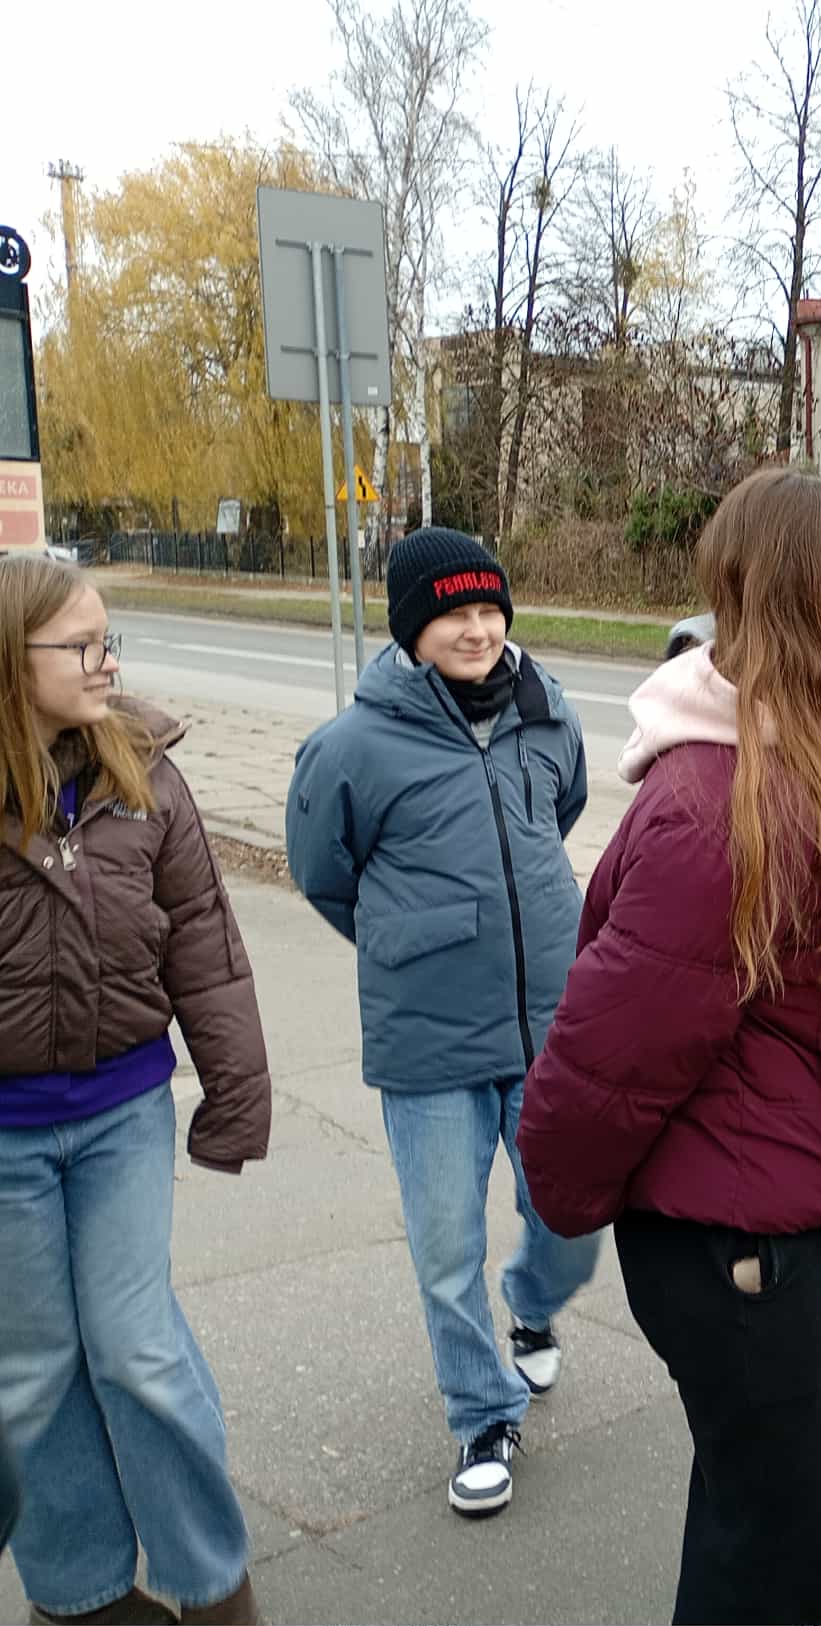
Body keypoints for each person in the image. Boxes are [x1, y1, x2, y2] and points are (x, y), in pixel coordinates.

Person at [517, 471, 821, 1626]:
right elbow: (609, 1060)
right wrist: (563, 1202)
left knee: (785, 1525)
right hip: (743, 1250)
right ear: (806, 604)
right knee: (797, 1565)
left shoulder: (807, 759)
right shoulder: (716, 812)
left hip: (792, 1219)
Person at [285, 528, 599, 1519]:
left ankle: (535, 1307)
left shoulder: (548, 716)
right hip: (427, 1042)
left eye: (489, 610)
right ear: (413, 626)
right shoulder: (352, 746)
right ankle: (482, 1414)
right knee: (444, 1245)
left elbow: (564, 815)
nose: (476, 630)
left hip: (549, 1022)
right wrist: (405, 936)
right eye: (454, 613)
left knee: (574, 1214)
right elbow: (323, 872)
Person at [0, 555, 270, 1625]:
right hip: (5, 1136)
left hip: (120, 1114)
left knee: (136, 1346)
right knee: (33, 1371)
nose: (105, 663)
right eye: (81, 647)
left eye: (110, 640)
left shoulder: (143, 769)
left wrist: (235, 1085)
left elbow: (204, 938)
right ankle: (81, 1594)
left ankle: (212, 1584)